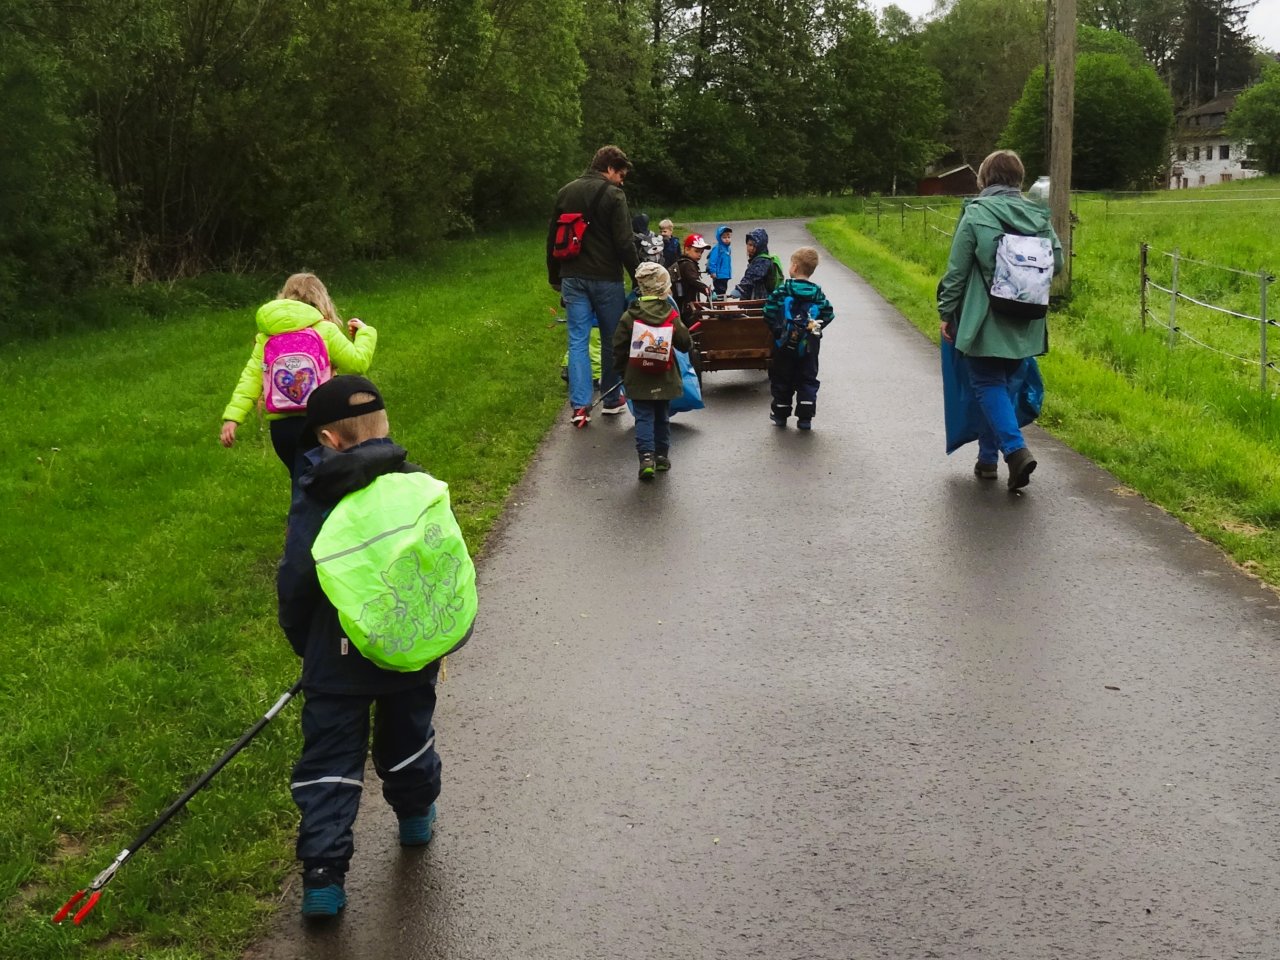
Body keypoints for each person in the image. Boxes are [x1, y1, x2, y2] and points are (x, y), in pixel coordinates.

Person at [278, 375, 476, 917]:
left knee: (330, 759)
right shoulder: (416, 486)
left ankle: (323, 875)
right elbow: (442, 568)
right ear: (384, 430)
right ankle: (414, 817)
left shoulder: (316, 498)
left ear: (328, 439)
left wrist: (305, 644)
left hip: (334, 660)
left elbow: (298, 578)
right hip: (409, 645)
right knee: (408, 732)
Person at [937, 149, 1062, 490]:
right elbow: (1058, 264)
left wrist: (946, 313)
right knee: (1004, 385)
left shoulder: (977, 213)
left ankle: (1015, 450)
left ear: (984, 179)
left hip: (985, 317)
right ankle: (987, 460)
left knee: (986, 382)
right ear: (1019, 180)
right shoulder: (1039, 216)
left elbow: (957, 271)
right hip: (1028, 316)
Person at [220, 273, 377, 481]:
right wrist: (366, 334)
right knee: (324, 483)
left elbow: (250, 378)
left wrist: (233, 418)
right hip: (319, 420)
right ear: (321, 299)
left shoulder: (267, 336)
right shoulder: (325, 330)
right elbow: (357, 364)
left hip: (282, 429)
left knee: (302, 480)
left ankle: (302, 512)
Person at [547, 145, 640, 428]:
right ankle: (611, 399)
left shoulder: (566, 192)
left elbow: (553, 238)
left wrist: (555, 276)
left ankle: (580, 407)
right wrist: (638, 275)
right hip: (605, 279)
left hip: (572, 277)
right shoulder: (614, 195)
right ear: (609, 168)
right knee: (612, 338)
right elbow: (624, 241)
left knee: (577, 340)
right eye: (620, 174)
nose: (621, 180)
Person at [612, 263, 693, 480]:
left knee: (644, 417)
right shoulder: (671, 314)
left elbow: (619, 347)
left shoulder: (630, 316)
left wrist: (621, 371)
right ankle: (662, 457)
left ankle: (646, 458)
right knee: (662, 417)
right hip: (664, 376)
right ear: (665, 289)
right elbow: (684, 342)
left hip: (638, 377)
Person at [762, 247, 835, 430]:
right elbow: (828, 312)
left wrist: (777, 330)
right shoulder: (817, 292)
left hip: (784, 344)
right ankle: (805, 418)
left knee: (782, 378)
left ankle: (780, 414)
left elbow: (768, 310)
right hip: (809, 345)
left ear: (794, 267)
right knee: (807, 379)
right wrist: (814, 329)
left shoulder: (784, 289)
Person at [728, 228, 780, 301]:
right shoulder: (757, 259)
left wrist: (740, 289)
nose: (751, 248)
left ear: (760, 247)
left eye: (754, 246)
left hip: (760, 299)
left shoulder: (762, 261)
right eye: (749, 245)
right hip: (756, 298)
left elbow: (753, 276)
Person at [672, 233, 711, 326]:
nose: (700, 254)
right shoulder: (687, 264)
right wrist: (705, 289)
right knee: (695, 328)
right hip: (687, 306)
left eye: (701, 252)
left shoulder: (684, 263)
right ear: (687, 249)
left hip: (683, 303)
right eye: (697, 251)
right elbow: (693, 280)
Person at [706, 225, 733, 299]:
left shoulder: (728, 249)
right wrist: (713, 271)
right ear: (719, 238)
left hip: (725, 274)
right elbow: (712, 261)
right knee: (719, 290)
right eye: (724, 237)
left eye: (728, 237)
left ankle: (720, 302)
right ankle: (713, 299)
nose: (727, 239)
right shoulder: (717, 248)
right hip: (718, 275)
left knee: (723, 290)